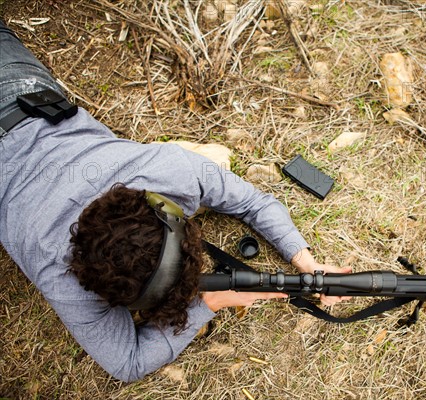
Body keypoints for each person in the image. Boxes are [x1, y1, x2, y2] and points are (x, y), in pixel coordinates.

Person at [0, 19, 350, 382]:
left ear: (168, 212)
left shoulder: (170, 169)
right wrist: (209, 302)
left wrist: (306, 261)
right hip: (21, 92)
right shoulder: (59, 275)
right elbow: (128, 363)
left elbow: (255, 203)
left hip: (15, 83)